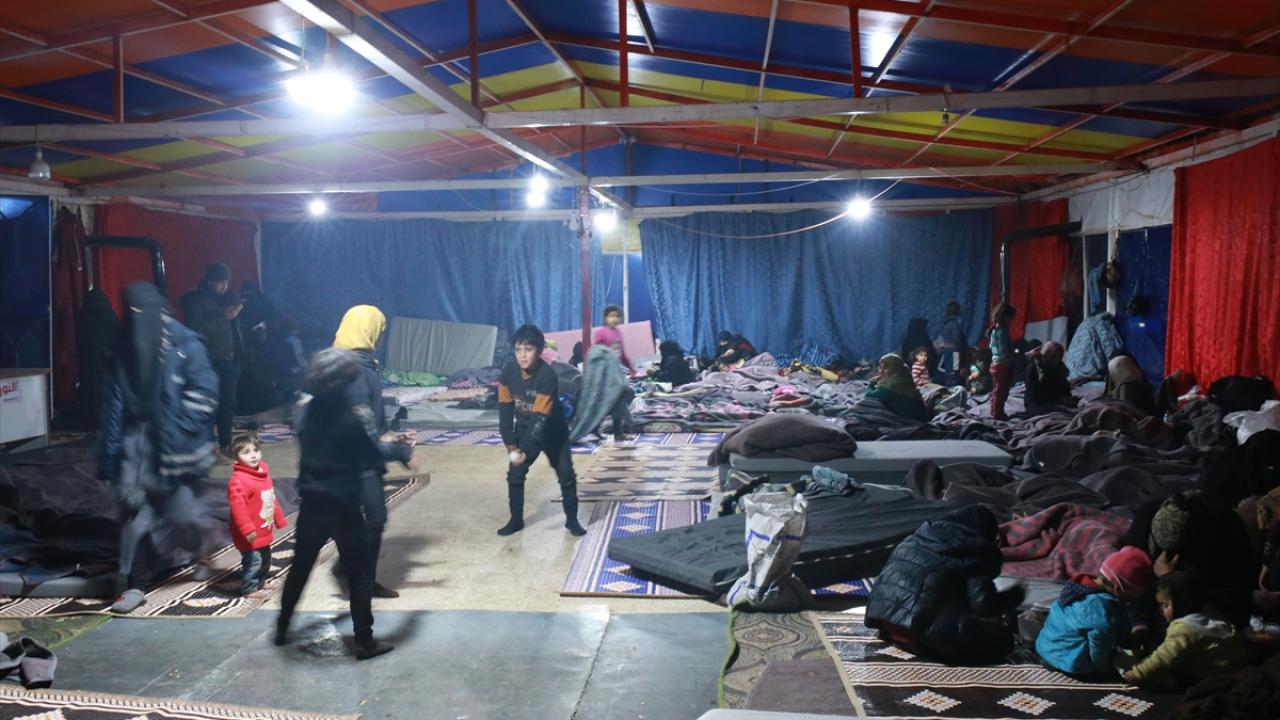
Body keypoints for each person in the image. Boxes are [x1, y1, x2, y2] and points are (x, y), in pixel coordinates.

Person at [276, 349, 413, 660]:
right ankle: (364, 641)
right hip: (343, 507)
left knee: (300, 567)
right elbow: (372, 454)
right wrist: (402, 452)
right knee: (360, 574)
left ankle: (282, 627)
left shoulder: (304, 413)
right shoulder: (351, 418)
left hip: (312, 505)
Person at [99, 283, 219, 614]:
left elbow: (205, 392)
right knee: (133, 511)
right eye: (131, 311)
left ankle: (201, 546)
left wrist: (180, 430)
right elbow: (113, 406)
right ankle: (133, 584)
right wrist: (110, 453)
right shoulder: (122, 346)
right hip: (134, 441)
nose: (136, 318)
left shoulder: (185, 345)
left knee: (180, 514)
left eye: (142, 311)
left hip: (172, 443)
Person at [865, 506, 1024, 665]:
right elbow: (983, 604)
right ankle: (927, 646)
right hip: (916, 630)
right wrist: (1015, 596)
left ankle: (918, 644)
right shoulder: (976, 550)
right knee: (1004, 640)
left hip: (883, 622)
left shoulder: (914, 539)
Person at [330, 305, 400, 599]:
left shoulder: (341, 363)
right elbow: (359, 421)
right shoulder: (356, 370)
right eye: (379, 331)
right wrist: (394, 449)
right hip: (357, 459)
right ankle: (357, 577)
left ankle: (352, 570)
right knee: (374, 517)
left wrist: (385, 433)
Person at [496, 324, 586, 537]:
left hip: (553, 432)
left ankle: (572, 520)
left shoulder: (547, 375)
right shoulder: (509, 371)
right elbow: (504, 408)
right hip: (524, 428)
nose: (522, 355)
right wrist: (509, 441)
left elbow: (539, 418)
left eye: (528, 349)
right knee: (515, 475)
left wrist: (523, 450)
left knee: (566, 474)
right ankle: (516, 520)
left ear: (538, 350)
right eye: (518, 349)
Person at [1124, 490, 1256, 628]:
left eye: (1173, 550)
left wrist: (1171, 579)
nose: (1164, 554)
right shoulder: (1146, 516)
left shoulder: (1226, 531)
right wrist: (1138, 620)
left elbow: (1237, 592)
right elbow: (1128, 572)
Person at [1036, 546, 1154, 678]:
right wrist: (1104, 667)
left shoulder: (1079, 587)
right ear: (1118, 589)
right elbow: (1100, 641)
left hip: (1046, 647)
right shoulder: (1098, 605)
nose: (1133, 600)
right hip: (1071, 661)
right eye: (1133, 596)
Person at [1120, 572, 1246, 689]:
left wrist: (1138, 673)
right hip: (1235, 670)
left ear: (1181, 601)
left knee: (1133, 665)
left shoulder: (1185, 629)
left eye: (1165, 605)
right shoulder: (1208, 612)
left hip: (1208, 678)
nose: (1161, 610)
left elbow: (1164, 657)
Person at [180, 263, 243, 458]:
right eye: (220, 283)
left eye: (227, 283)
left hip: (231, 359)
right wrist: (223, 317)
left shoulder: (229, 297)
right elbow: (197, 330)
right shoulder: (194, 300)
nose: (224, 287)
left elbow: (234, 329)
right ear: (209, 281)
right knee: (208, 405)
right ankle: (206, 447)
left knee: (228, 404)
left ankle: (225, 443)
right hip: (209, 360)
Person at [227, 433, 287, 598]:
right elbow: (238, 508)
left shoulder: (263, 473)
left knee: (266, 557)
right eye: (246, 452)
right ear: (235, 460)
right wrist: (247, 529)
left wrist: (279, 518)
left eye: (255, 450)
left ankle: (261, 581)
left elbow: (270, 497)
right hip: (248, 532)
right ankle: (249, 588)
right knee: (253, 560)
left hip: (263, 528)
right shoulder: (239, 481)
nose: (253, 455)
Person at [592, 305, 634, 442]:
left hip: (616, 372)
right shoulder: (601, 333)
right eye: (611, 316)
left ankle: (617, 432)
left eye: (617, 316)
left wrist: (631, 367)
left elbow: (622, 354)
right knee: (610, 401)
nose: (614, 318)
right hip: (605, 373)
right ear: (605, 318)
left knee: (617, 400)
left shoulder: (618, 333)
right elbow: (598, 353)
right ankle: (599, 427)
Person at [865, 353, 928, 422]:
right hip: (918, 419)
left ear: (895, 368)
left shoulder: (893, 385)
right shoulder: (904, 378)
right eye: (880, 367)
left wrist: (871, 384)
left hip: (911, 422)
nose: (881, 371)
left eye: (886, 367)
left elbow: (869, 396)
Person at [1024, 341, 1073, 414]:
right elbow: (1031, 396)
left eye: (1059, 357)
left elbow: (1065, 387)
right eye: (1053, 357)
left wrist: (1067, 398)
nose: (1057, 360)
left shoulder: (1059, 367)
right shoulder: (1033, 369)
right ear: (1045, 356)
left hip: (1055, 401)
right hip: (1037, 402)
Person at [987, 303, 1016, 421]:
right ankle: (997, 413)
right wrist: (1012, 356)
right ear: (1005, 316)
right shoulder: (1002, 331)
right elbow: (1004, 349)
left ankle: (994, 410)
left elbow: (991, 346)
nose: (1011, 321)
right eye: (1010, 318)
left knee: (996, 390)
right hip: (1002, 365)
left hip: (994, 363)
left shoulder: (994, 328)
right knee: (1001, 391)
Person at [935, 300, 967, 385]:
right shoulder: (955, 324)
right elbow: (957, 340)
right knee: (954, 371)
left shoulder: (946, 324)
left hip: (947, 351)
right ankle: (953, 387)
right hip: (955, 352)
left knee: (949, 371)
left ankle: (949, 385)